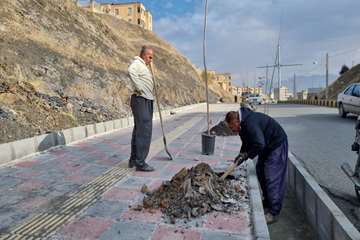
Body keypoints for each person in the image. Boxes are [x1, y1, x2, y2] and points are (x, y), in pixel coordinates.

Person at [225, 106, 288, 224]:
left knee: (272, 176)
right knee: (260, 170)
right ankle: (268, 202)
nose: (232, 130)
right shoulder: (242, 125)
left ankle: (274, 212)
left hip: (276, 144)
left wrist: (247, 155)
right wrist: (241, 155)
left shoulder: (249, 123)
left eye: (232, 127)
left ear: (236, 121)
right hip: (266, 144)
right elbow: (247, 141)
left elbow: (259, 143)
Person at [128, 46, 155, 172]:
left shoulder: (144, 66)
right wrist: (139, 87)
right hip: (141, 99)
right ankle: (140, 162)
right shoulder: (137, 63)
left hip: (146, 99)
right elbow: (131, 71)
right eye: (150, 57)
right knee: (144, 130)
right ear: (144, 55)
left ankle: (134, 159)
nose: (151, 59)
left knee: (139, 130)